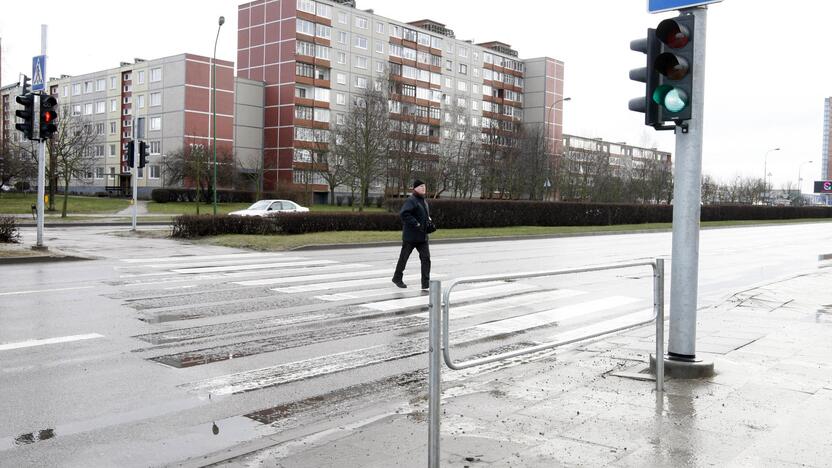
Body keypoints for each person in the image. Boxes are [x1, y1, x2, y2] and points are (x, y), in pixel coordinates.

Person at [392, 179, 434, 290]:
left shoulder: (423, 201)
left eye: (424, 186)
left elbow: (424, 216)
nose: (423, 188)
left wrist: (429, 223)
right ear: (415, 188)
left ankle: (425, 283)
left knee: (426, 259)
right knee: (404, 258)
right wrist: (416, 223)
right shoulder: (412, 200)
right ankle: (397, 278)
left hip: (422, 237)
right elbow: (404, 214)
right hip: (410, 237)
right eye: (421, 186)